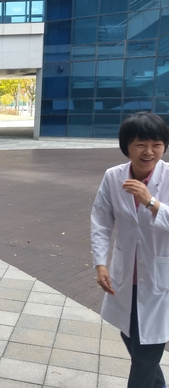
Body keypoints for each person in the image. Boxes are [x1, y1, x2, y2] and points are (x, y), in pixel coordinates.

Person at [91, 112, 169, 388]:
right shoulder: (113, 177)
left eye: (156, 144)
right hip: (126, 279)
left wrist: (151, 203)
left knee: (145, 358)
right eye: (140, 144)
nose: (149, 152)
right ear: (127, 146)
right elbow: (101, 219)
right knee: (133, 341)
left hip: (161, 282)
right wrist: (100, 263)